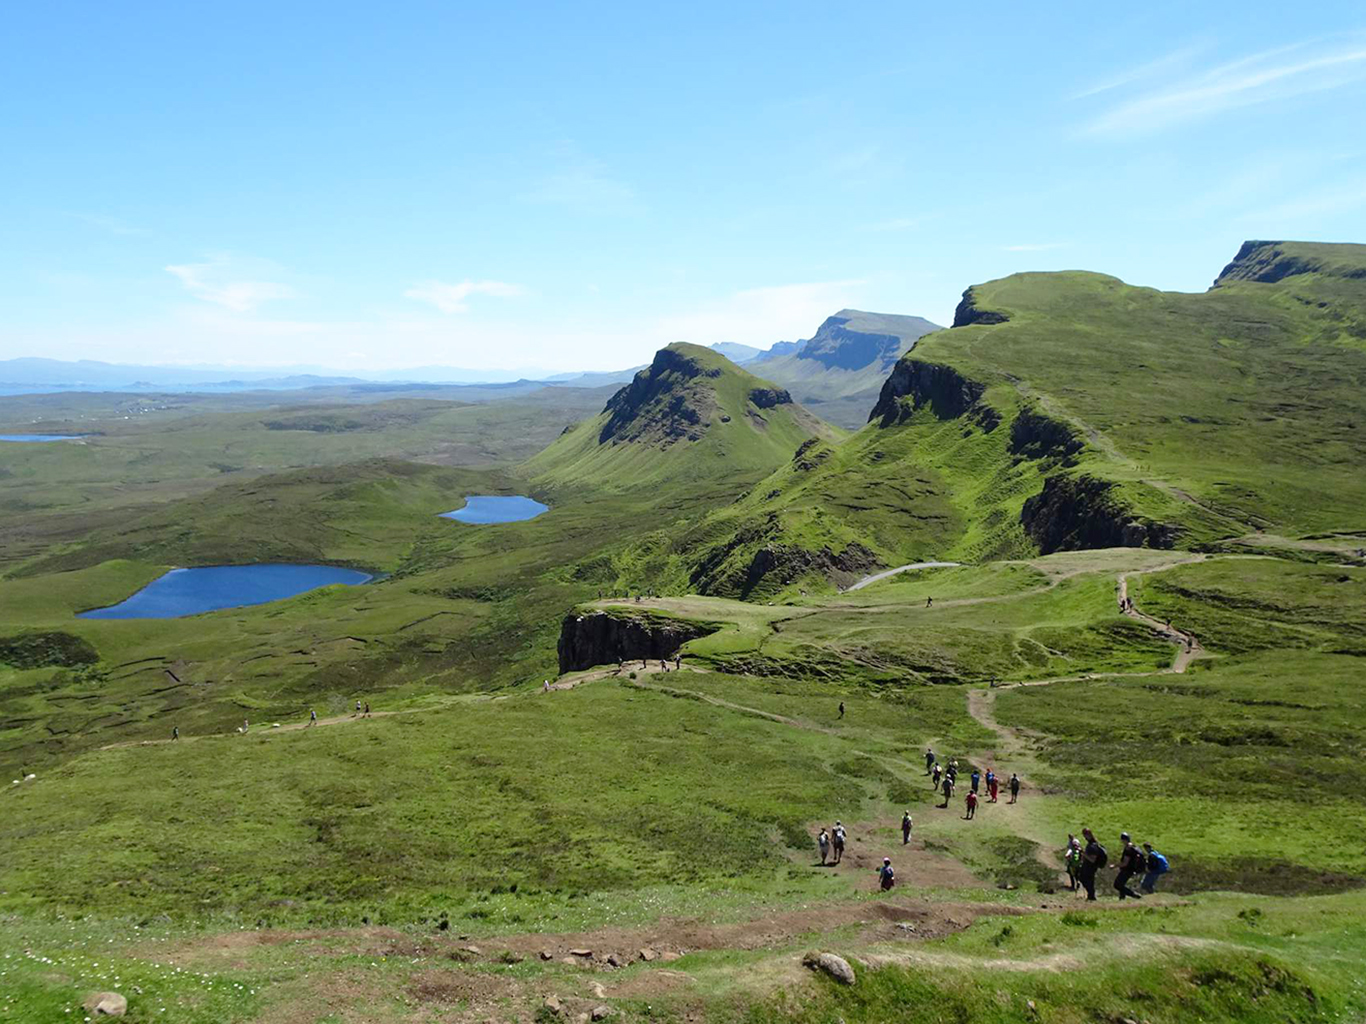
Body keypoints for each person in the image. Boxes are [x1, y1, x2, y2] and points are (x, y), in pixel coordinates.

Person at [1114, 833, 1144, 899]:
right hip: (1131, 869)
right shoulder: (1134, 846)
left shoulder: (1128, 849)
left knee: (1117, 885)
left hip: (1127, 870)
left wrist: (1115, 866)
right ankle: (1122, 898)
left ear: (1123, 840)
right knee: (1121, 884)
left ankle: (1135, 895)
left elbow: (1125, 863)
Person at [1079, 828, 1105, 901]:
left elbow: (1093, 859)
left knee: (1088, 880)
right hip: (1088, 866)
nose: (1084, 837)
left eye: (1085, 835)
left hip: (1091, 867)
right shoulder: (1091, 844)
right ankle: (1091, 895)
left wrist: (1084, 854)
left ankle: (1091, 896)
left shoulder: (1093, 846)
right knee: (1084, 879)